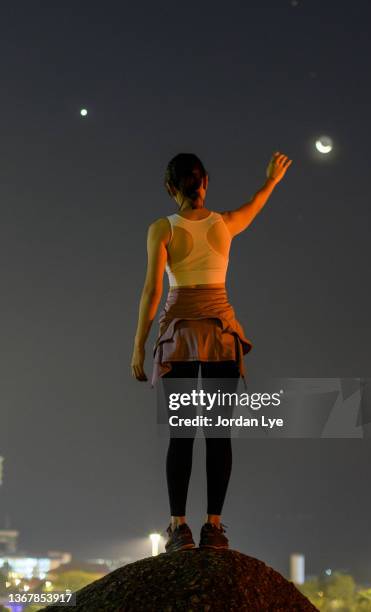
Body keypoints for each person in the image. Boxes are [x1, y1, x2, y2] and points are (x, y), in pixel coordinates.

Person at [131, 151, 292, 552]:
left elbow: (152, 292)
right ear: (205, 182)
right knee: (219, 434)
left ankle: (178, 527)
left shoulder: (162, 229)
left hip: (180, 335)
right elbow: (255, 203)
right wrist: (271, 179)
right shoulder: (224, 224)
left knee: (181, 434)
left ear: (171, 188)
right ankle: (214, 528)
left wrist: (138, 345)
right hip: (221, 334)